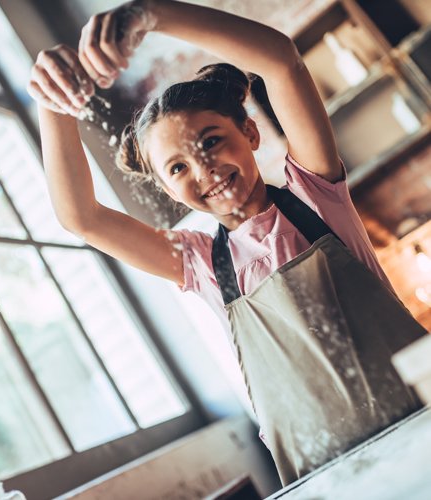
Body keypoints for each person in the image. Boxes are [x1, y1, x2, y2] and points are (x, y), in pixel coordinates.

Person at [27, 0, 427, 486]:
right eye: (177, 168)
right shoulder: (195, 262)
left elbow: (281, 61)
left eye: (212, 140)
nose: (204, 168)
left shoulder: (317, 195)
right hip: (330, 479)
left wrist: (152, 14)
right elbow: (81, 219)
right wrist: (53, 105)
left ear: (251, 132)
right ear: (168, 189)